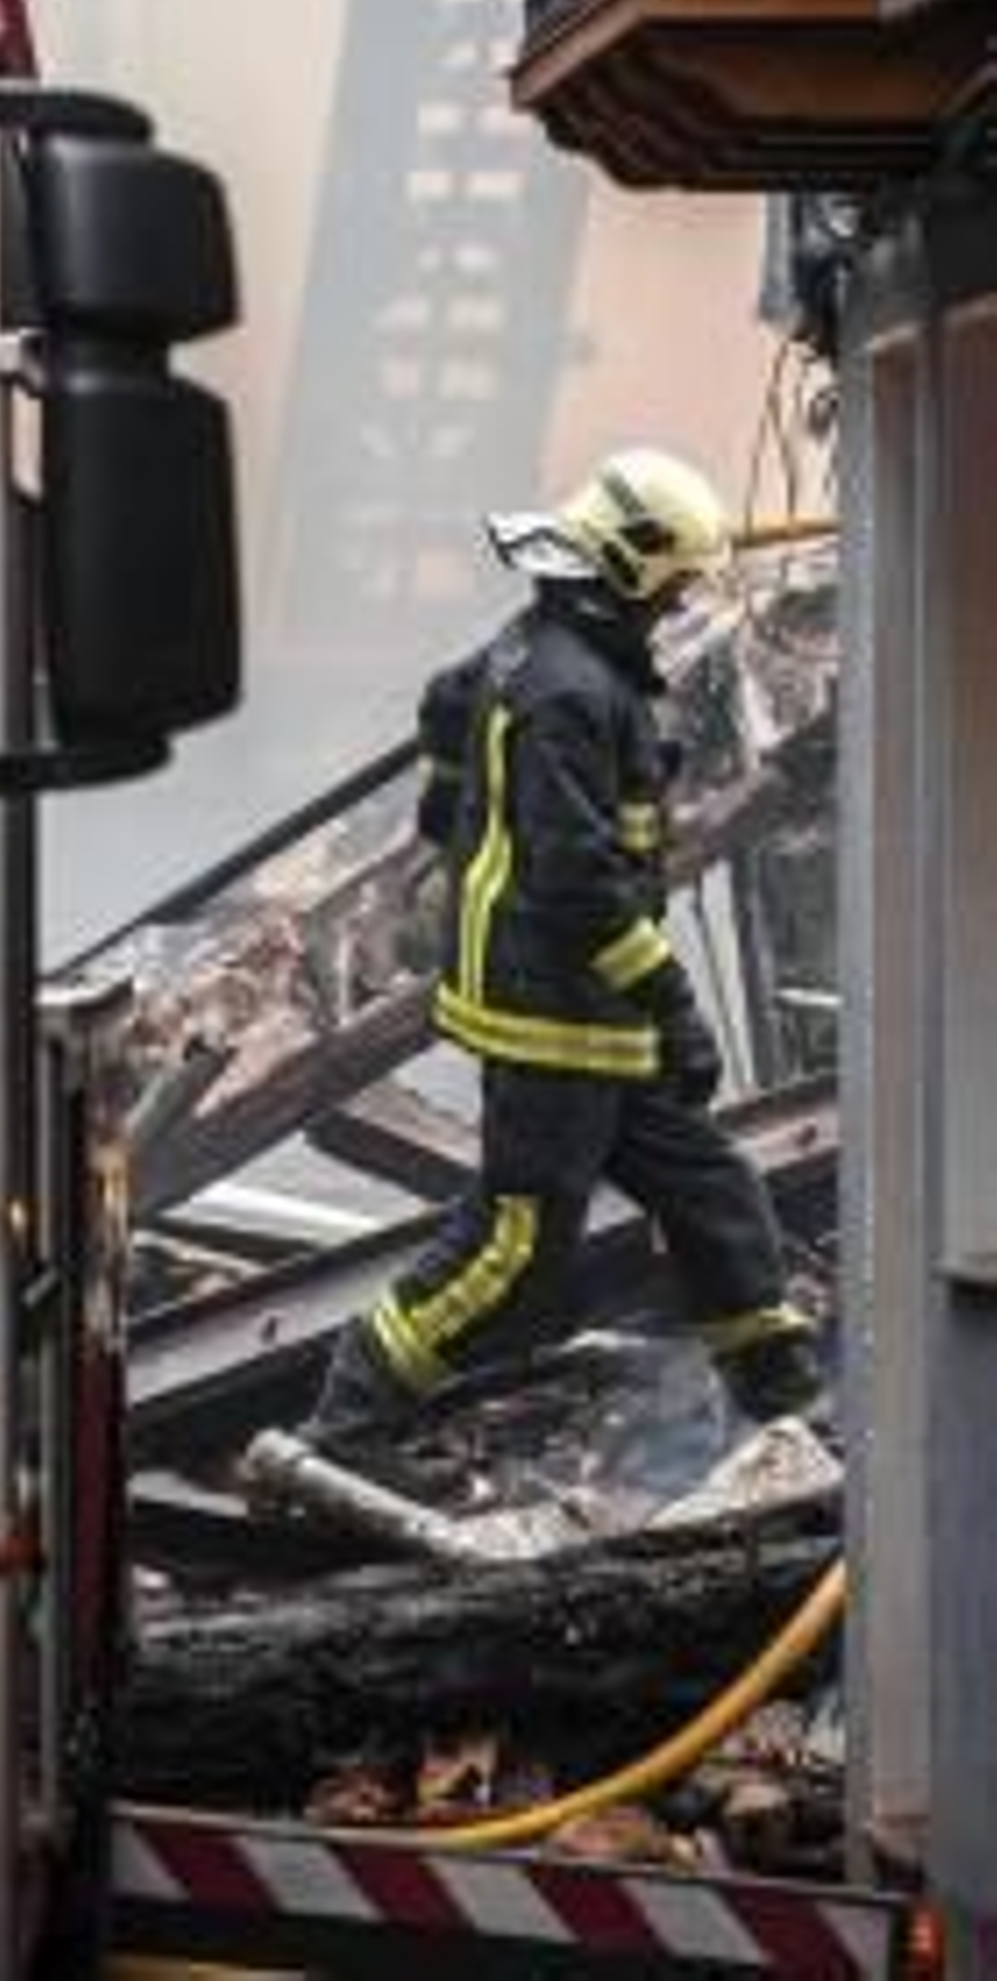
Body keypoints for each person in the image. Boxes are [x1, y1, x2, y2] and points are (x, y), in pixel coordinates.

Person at [304, 446, 824, 1445]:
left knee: (710, 1186)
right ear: (629, 567)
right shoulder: (573, 692)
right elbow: (576, 877)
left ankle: (781, 1395)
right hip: (551, 1013)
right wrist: (672, 1002)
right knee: (512, 1250)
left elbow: (446, 702)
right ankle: (348, 1412)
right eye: (672, 583)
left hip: (582, 1003)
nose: (678, 604)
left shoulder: (530, 651)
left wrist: (450, 799)